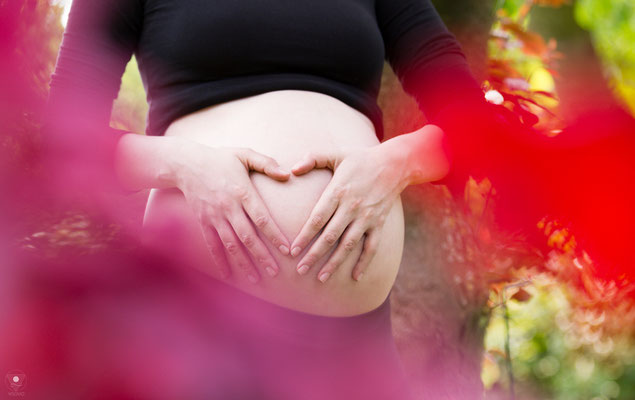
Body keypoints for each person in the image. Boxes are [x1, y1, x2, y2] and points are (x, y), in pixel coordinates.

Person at [43, 0, 488, 398]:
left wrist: (394, 163)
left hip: (352, 344)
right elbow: (61, 141)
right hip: (194, 321)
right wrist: (183, 163)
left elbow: (475, 128)